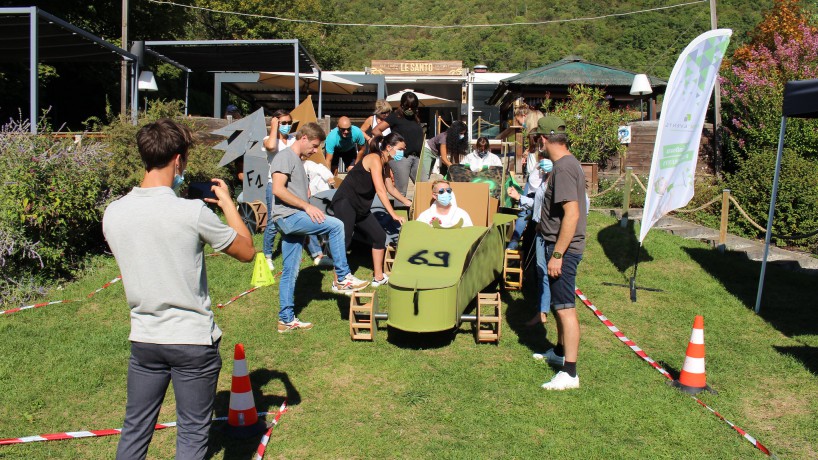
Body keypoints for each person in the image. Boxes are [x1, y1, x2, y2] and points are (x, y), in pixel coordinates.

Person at [103, 119, 255, 460]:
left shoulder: (113, 213)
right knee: (191, 435)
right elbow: (247, 251)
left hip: (144, 338)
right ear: (178, 160)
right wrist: (228, 203)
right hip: (191, 340)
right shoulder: (191, 211)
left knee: (135, 429)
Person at [270, 122, 369, 332]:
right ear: (303, 138)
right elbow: (278, 190)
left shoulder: (297, 160)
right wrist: (306, 206)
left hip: (293, 217)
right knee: (336, 226)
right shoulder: (284, 157)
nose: (315, 151)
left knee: (289, 271)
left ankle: (285, 320)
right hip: (288, 217)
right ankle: (342, 277)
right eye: (314, 146)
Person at [533, 115, 587, 391]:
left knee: (566, 308)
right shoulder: (565, 164)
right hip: (557, 245)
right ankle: (559, 351)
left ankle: (570, 372)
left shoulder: (564, 168)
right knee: (558, 304)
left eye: (536, 139)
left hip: (562, 249)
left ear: (543, 139)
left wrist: (558, 254)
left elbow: (572, 213)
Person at [331, 133, 411, 287]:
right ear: (389, 147)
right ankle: (338, 281)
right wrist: (393, 214)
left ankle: (379, 277)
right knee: (345, 239)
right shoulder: (374, 159)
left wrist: (408, 202)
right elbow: (381, 190)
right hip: (345, 202)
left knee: (379, 236)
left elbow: (390, 188)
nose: (403, 152)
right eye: (400, 149)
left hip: (361, 206)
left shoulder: (386, 164)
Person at [507, 157, 553, 327]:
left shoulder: (560, 181)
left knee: (548, 272)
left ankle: (548, 308)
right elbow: (537, 204)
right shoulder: (544, 181)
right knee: (542, 272)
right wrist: (519, 196)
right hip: (540, 230)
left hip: (553, 234)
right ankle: (542, 310)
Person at [261, 109, 296, 272]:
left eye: (289, 123)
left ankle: (309, 252)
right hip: (274, 184)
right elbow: (271, 147)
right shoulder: (269, 139)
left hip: (293, 185)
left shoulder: (293, 139)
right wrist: (273, 127)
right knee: (273, 221)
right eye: (283, 123)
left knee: (296, 216)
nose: (287, 126)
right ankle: (267, 255)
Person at [372, 91, 424, 197]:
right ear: (402, 105)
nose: (410, 109)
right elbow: (376, 130)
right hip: (401, 158)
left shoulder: (415, 118)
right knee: (401, 190)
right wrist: (388, 142)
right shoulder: (395, 116)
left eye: (412, 107)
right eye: (407, 106)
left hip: (417, 157)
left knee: (424, 186)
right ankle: (399, 212)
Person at [303, 159, 335, 267]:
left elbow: (321, 168)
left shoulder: (309, 164)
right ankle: (318, 254)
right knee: (308, 224)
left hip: (317, 198)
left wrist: (329, 178)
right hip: (303, 200)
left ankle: (326, 252)